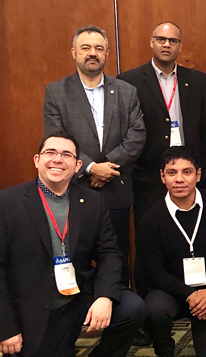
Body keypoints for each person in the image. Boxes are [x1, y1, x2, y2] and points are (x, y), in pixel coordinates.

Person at [0, 132, 147, 357]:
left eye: (67, 155)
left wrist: (105, 296)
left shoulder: (92, 201)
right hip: (35, 305)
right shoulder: (5, 203)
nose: (58, 159)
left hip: (79, 295)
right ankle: (43, 351)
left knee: (132, 307)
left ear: (77, 165)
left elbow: (110, 252)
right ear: (37, 160)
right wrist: (4, 329)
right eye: (51, 153)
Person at [43, 25, 146, 289]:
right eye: (86, 48)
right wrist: (89, 168)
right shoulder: (56, 92)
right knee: (76, 255)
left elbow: (137, 136)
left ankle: (118, 307)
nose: (93, 53)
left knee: (117, 255)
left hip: (115, 186)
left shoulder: (126, 91)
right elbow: (56, 139)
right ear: (74, 52)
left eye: (99, 48)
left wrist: (106, 167)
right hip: (74, 187)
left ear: (107, 54)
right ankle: (78, 309)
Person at [135, 146, 206, 357]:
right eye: (172, 172)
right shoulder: (151, 219)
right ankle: (165, 356)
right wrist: (190, 295)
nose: (179, 179)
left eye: (186, 172)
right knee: (154, 306)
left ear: (198, 175)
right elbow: (153, 272)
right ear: (162, 177)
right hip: (172, 294)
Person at [118, 22, 206, 225]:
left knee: (189, 231)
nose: (166, 44)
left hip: (189, 175)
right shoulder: (129, 81)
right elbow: (124, 132)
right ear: (152, 42)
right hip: (148, 177)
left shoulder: (198, 81)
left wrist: (203, 172)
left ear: (180, 46)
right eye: (161, 39)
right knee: (150, 233)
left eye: (173, 40)